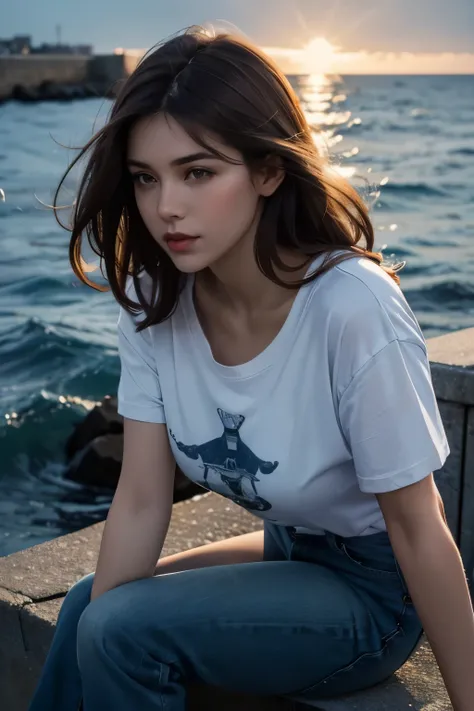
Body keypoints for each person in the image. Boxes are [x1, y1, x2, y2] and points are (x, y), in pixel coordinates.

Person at [28, 26, 474, 711]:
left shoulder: (349, 307)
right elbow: (144, 498)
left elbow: (419, 523)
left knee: (118, 627)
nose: (165, 206)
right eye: (146, 178)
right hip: (287, 546)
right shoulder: (155, 300)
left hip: (376, 590)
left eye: (198, 172)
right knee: (93, 603)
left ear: (268, 170)